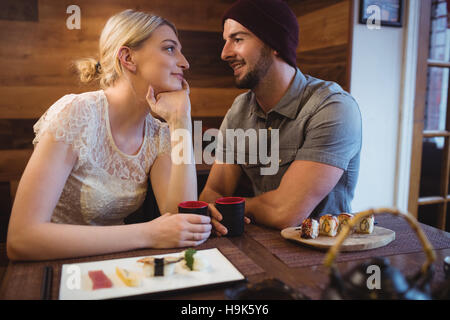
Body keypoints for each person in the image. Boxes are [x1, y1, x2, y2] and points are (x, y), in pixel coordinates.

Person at [7, 9, 211, 261]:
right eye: (170, 49)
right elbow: (21, 238)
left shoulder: (158, 134)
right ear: (127, 57)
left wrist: (181, 122)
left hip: (116, 267)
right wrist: (148, 234)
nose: (184, 62)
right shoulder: (77, 113)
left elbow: (182, 219)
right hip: (54, 268)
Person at [200, 0, 362, 235]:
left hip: (324, 257)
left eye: (238, 39)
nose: (224, 53)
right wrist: (220, 208)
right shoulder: (240, 109)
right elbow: (214, 192)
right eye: (225, 41)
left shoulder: (333, 107)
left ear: (274, 43)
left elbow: (286, 212)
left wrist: (231, 208)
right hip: (260, 245)